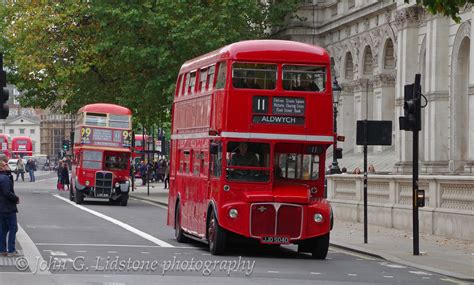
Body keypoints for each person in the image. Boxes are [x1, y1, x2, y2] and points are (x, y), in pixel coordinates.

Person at [0, 154, 19, 257]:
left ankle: (2, 250)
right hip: (8, 207)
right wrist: (16, 198)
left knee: (3, 229)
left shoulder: (5, 177)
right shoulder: (5, 179)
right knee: (13, 228)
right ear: (3, 166)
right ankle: (11, 250)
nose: (9, 166)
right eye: (6, 164)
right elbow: (7, 192)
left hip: (1, 207)